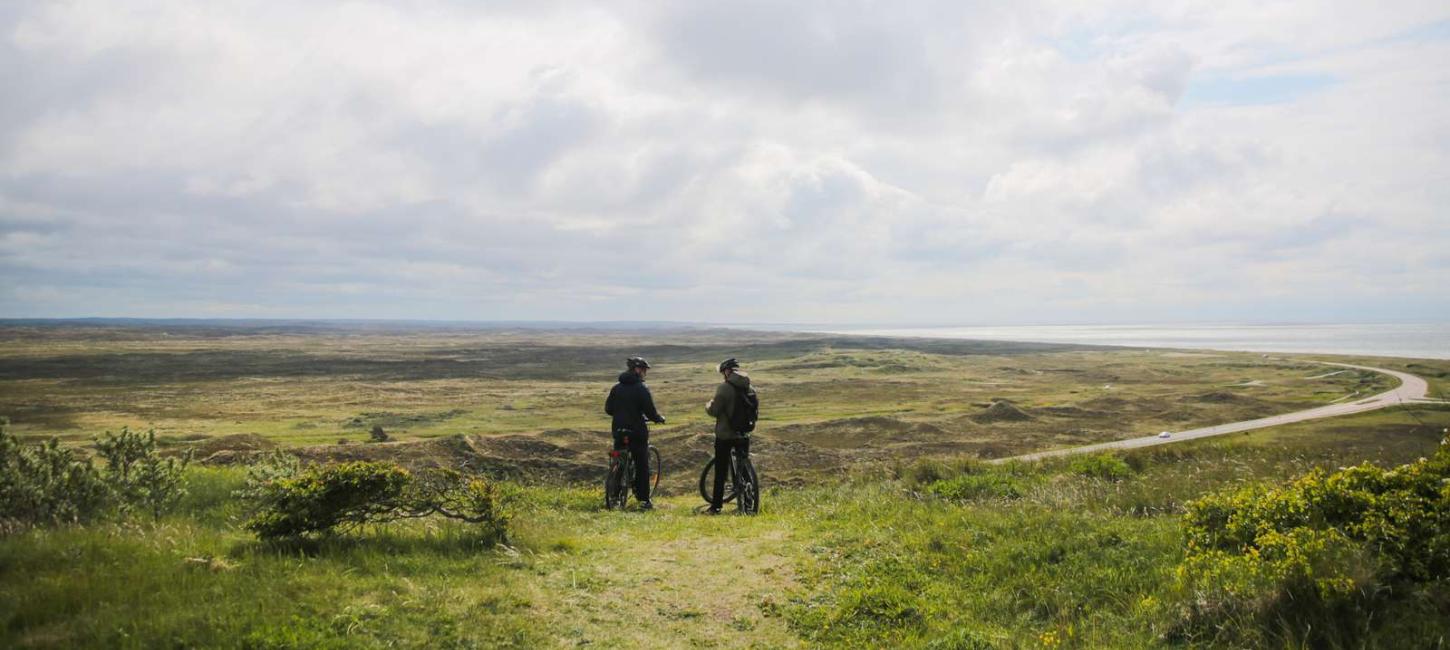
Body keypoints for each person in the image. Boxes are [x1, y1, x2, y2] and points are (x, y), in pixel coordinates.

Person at [604, 356, 665, 509]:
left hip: (618, 430)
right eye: (644, 370)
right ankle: (644, 500)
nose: (645, 373)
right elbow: (650, 411)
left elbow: (608, 409)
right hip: (636, 432)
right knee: (642, 464)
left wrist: (621, 414)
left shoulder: (616, 388)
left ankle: (614, 496)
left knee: (619, 458)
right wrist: (658, 418)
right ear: (637, 370)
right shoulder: (641, 388)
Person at [705, 357, 755, 514]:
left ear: (726, 372)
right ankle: (749, 502)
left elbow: (714, 410)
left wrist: (708, 405)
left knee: (720, 471)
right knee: (744, 466)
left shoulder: (724, 388)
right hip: (744, 432)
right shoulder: (749, 387)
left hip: (725, 434)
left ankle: (716, 506)